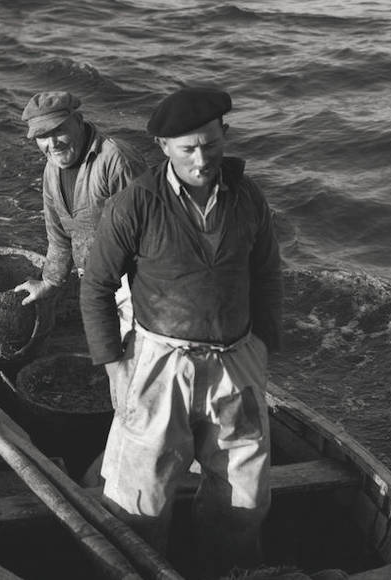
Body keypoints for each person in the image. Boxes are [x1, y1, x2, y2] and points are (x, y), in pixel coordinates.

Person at [80, 86, 283, 579]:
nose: (201, 158)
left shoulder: (248, 198)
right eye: (188, 148)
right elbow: (96, 286)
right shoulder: (136, 204)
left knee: (245, 501)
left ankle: (225, 568)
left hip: (236, 361)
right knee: (139, 502)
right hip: (158, 363)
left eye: (211, 145)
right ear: (164, 149)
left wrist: (261, 345)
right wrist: (113, 365)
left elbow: (267, 274)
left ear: (224, 137)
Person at [14, 90, 145, 336]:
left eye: (58, 130)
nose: (52, 144)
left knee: (136, 353)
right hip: (96, 279)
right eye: (42, 136)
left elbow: (148, 234)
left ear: (78, 121)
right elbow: (59, 236)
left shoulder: (116, 160)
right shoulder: (51, 169)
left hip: (135, 279)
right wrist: (50, 282)